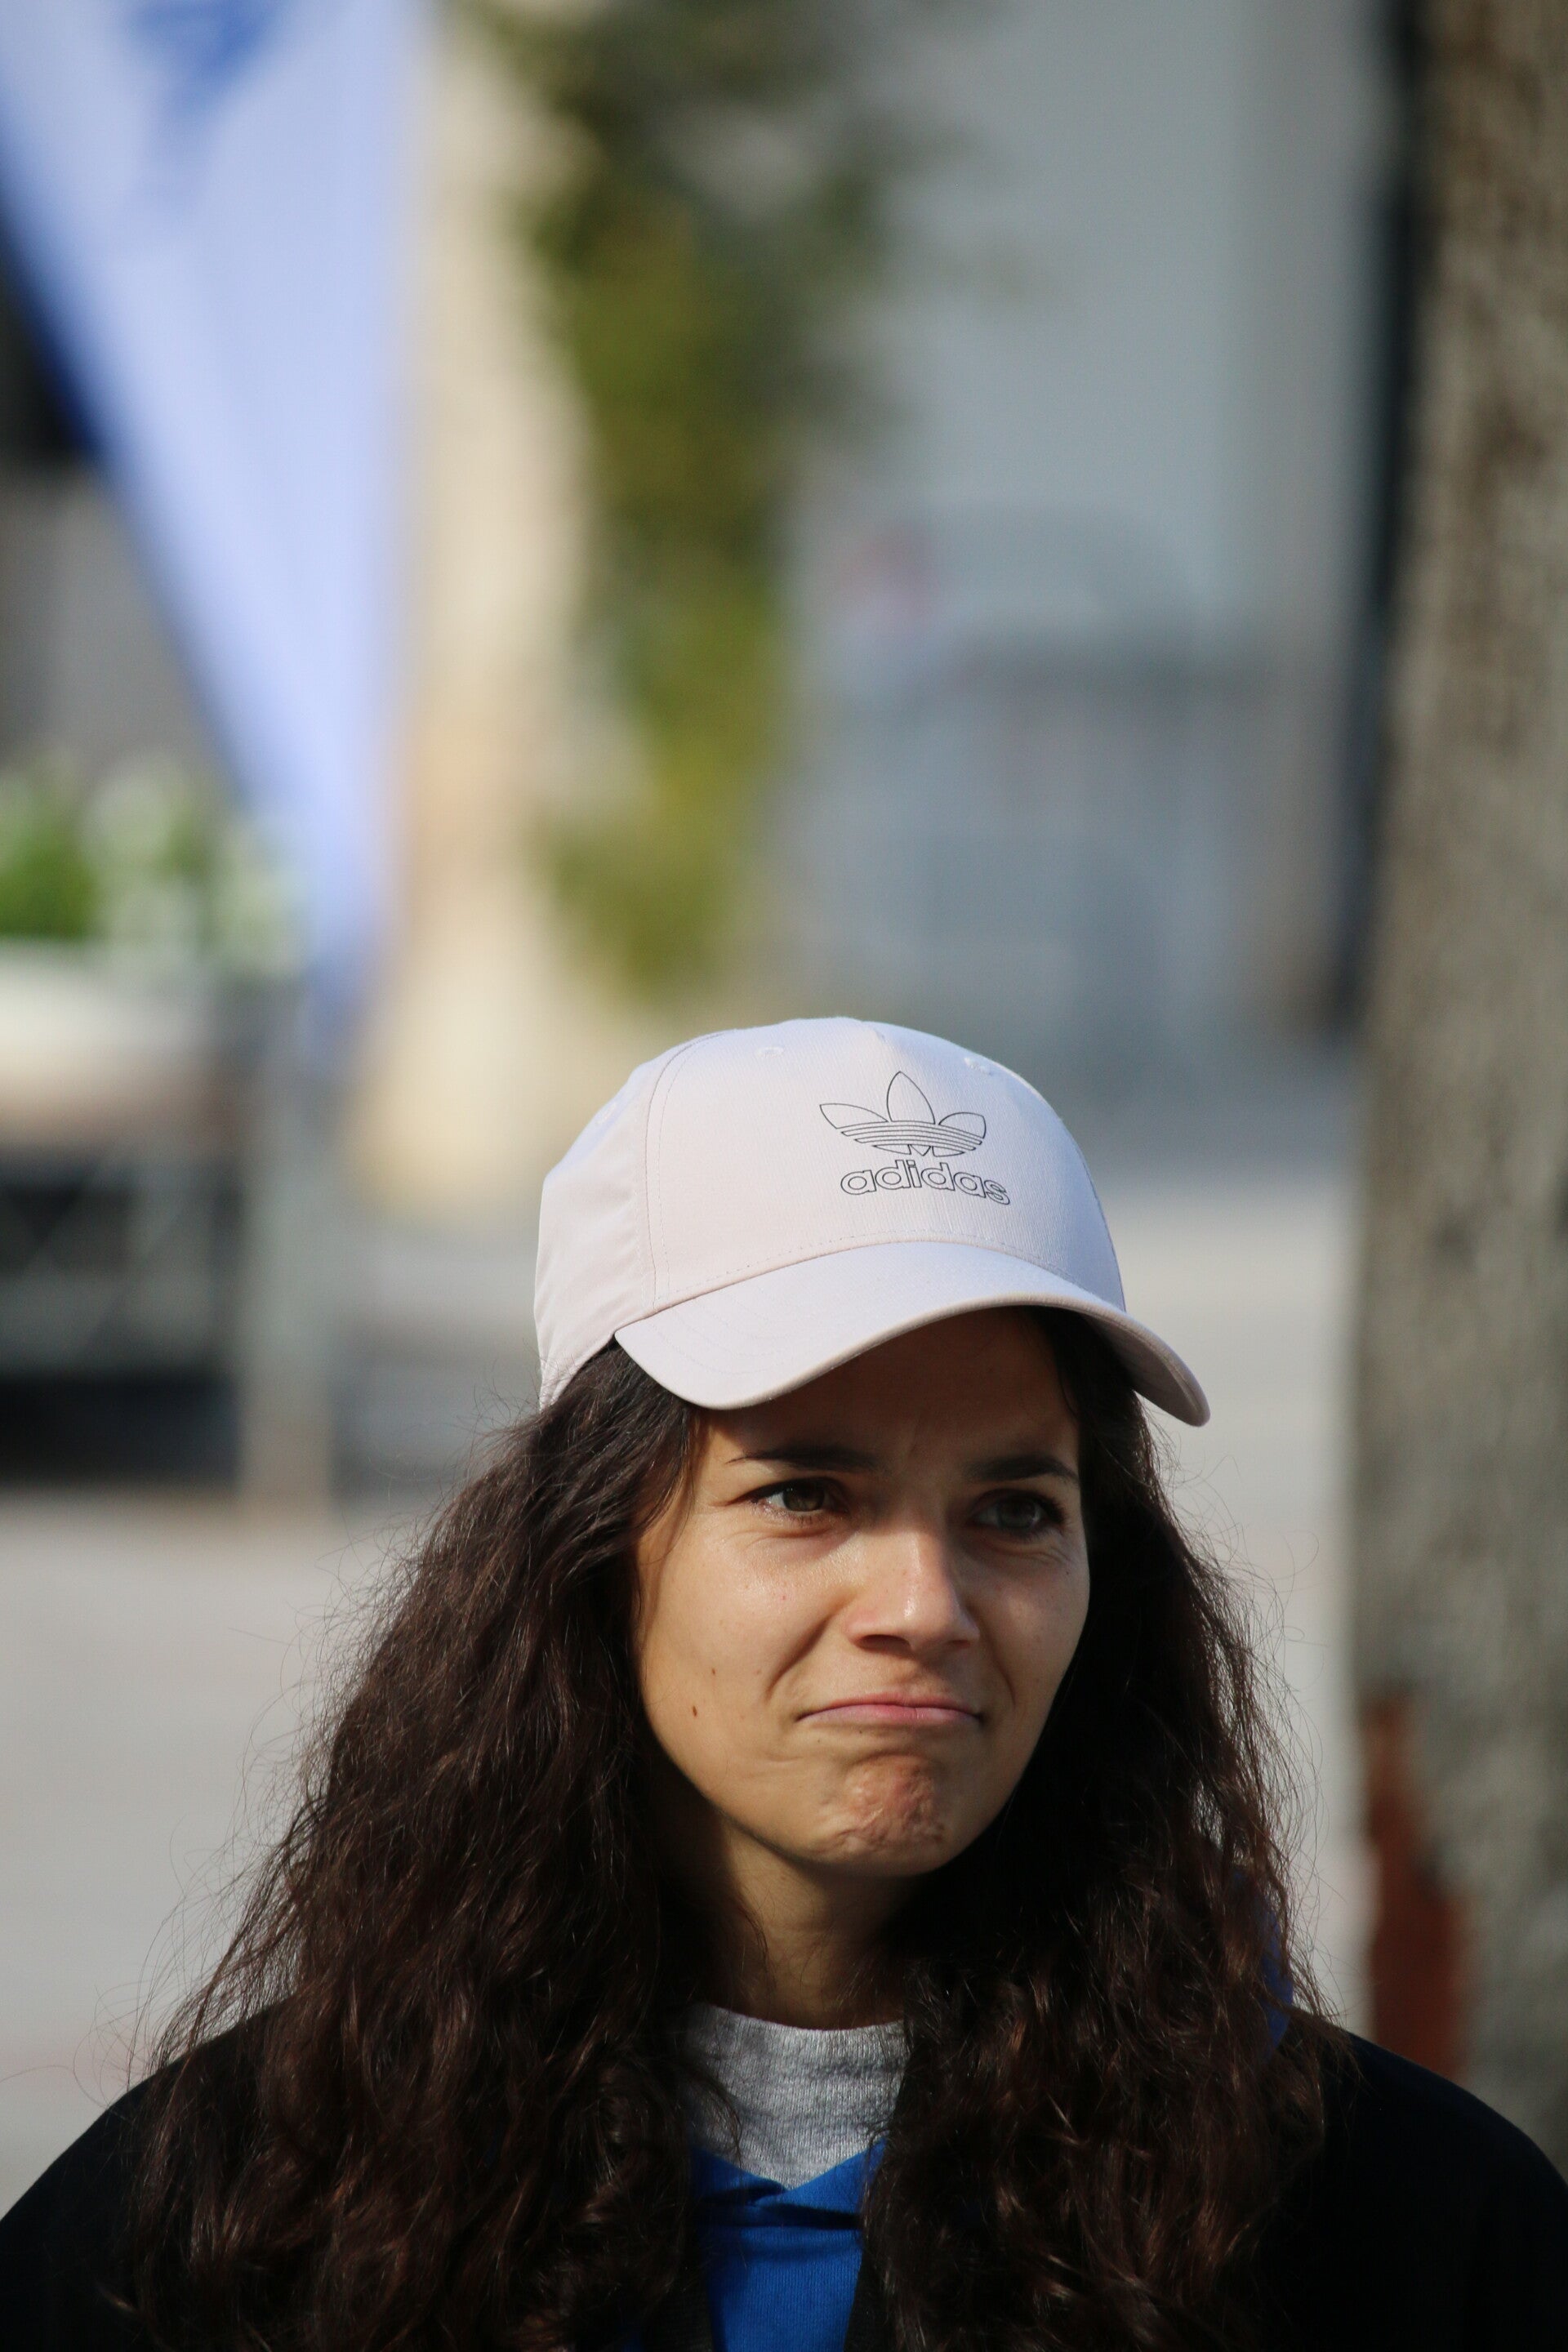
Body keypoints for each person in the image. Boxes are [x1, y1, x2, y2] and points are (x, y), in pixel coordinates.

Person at [2, 1015, 1565, 2352]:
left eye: (1016, 1510)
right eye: (805, 1495)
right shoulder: (237, 2230)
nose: (923, 1607)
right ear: (588, 1548)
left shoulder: (1393, 2238)